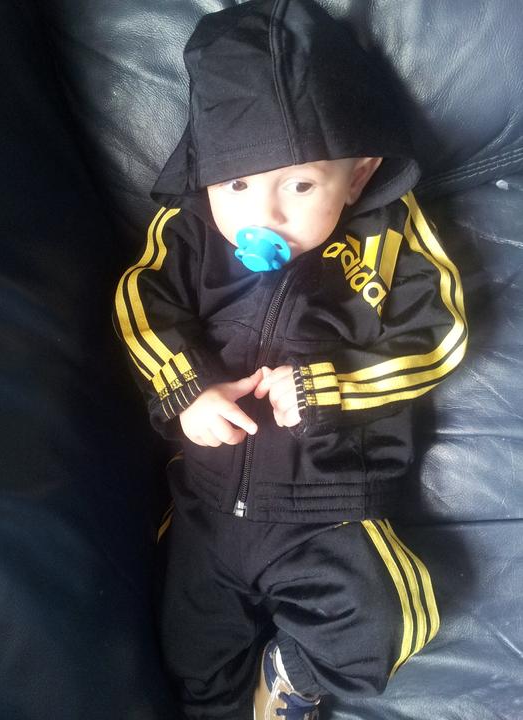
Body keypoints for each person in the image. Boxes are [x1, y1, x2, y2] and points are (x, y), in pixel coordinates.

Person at [113, 1, 468, 718]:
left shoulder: (389, 236)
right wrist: (187, 389)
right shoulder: (189, 232)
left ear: (358, 176)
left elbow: (439, 335)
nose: (261, 216)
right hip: (207, 505)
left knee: (384, 624)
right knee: (188, 664)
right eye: (236, 185)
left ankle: (293, 675)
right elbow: (143, 303)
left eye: (300, 185)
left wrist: (329, 386)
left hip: (328, 506)